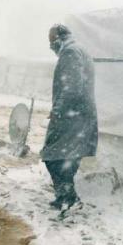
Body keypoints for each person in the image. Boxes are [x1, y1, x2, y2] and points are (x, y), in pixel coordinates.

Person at [41, 24, 98, 210]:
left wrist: (58, 110)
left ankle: (67, 196)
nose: (51, 46)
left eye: (52, 41)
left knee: (52, 155)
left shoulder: (71, 52)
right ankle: (67, 197)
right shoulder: (79, 49)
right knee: (68, 157)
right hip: (79, 115)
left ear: (60, 38)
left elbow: (71, 87)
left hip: (71, 116)